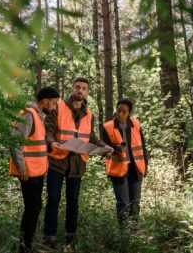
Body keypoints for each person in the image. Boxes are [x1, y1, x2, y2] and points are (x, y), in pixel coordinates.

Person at [43, 77, 113, 251]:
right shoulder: (58, 106)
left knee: (73, 201)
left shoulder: (89, 113)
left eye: (83, 88)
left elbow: (90, 136)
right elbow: (48, 131)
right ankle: (49, 237)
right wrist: (51, 143)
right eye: (77, 87)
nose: (80, 91)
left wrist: (104, 146)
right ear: (72, 89)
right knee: (53, 199)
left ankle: (70, 237)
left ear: (87, 92)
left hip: (77, 163)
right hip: (57, 161)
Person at [9, 87, 60, 253]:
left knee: (35, 207)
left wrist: (52, 147)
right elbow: (15, 142)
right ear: (45, 101)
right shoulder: (29, 114)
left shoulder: (38, 116)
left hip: (37, 171)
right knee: (33, 208)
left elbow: (36, 143)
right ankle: (24, 247)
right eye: (53, 104)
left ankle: (27, 245)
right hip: (28, 172)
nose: (53, 107)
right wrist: (21, 168)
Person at [102, 99, 149, 232]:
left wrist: (146, 166)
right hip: (118, 170)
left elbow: (143, 147)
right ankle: (124, 232)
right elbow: (103, 147)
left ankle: (135, 229)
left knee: (135, 201)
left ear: (129, 112)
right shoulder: (108, 126)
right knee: (123, 203)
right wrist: (116, 149)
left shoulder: (136, 124)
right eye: (118, 111)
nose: (121, 114)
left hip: (136, 168)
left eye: (124, 111)